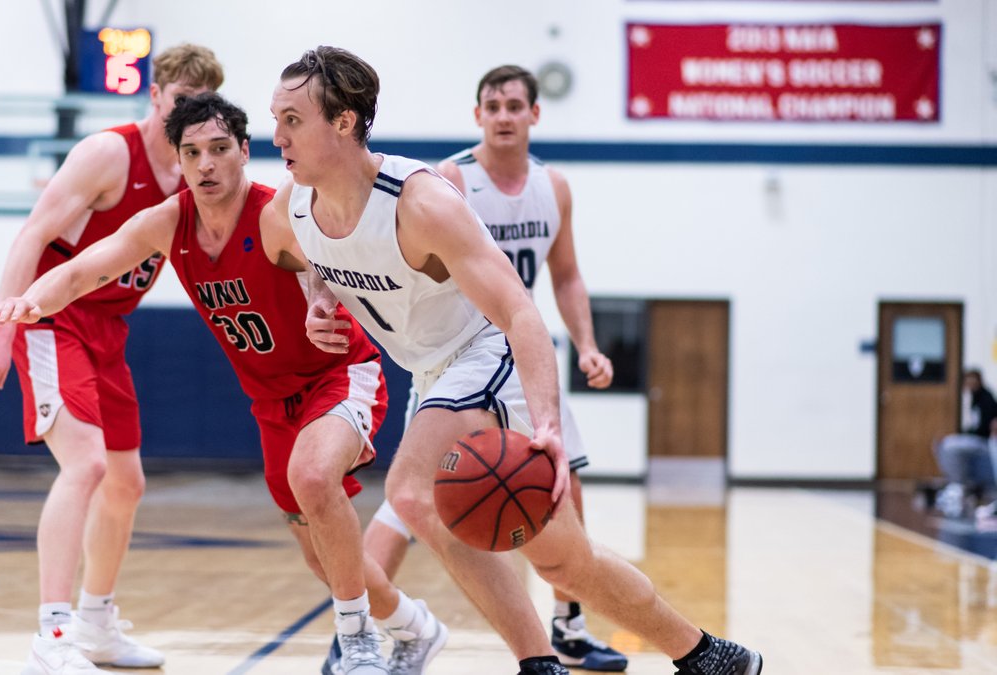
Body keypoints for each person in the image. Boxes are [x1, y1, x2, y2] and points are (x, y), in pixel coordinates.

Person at [261, 46, 764, 675]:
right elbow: (306, 263)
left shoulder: (420, 203)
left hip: (486, 352)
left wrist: (549, 424)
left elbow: (522, 313)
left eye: (291, 119)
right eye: (275, 118)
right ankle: (706, 653)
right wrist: (319, 300)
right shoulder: (290, 210)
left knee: (412, 492)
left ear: (343, 121)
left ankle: (538, 664)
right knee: (563, 560)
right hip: (431, 375)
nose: (275, 134)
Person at [0, 92, 447, 675]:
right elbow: (84, 268)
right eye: (192, 152)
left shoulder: (276, 211)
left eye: (220, 149)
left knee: (312, 476)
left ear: (244, 152)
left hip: (339, 375)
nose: (206, 164)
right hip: (272, 405)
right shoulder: (168, 221)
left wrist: (318, 305)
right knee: (325, 556)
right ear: (177, 160)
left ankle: (356, 645)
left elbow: (318, 273)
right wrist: (28, 301)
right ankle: (415, 626)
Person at [0, 44, 224, 674]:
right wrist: (2, 327)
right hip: (52, 318)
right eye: (179, 98)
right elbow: (33, 233)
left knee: (127, 484)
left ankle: (97, 623)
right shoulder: (109, 154)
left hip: (110, 330)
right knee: (85, 467)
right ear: (155, 96)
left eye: (200, 102)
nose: (187, 111)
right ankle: (51, 637)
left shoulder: (196, 172)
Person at [359, 64, 627, 672]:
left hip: (522, 353)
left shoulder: (553, 187)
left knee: (565, 483)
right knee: (407, 498)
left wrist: (585, 345)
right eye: (492, 106)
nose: (503, 115)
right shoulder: (452, 179)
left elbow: (566, 275)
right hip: (457, 353)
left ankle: (569, 626)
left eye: (514, 105)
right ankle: (357, 628)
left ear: (535, 114)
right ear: (477, 115)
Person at [935, 369, 997, 518]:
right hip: (977, 439)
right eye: (968, 381)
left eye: (973, 380)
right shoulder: (971, 399)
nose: (970, 384)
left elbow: (984, 428)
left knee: (951, 445)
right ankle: (956, 486)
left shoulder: (986, 399)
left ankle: (958, 487)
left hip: (985, 441)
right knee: (944, 444)